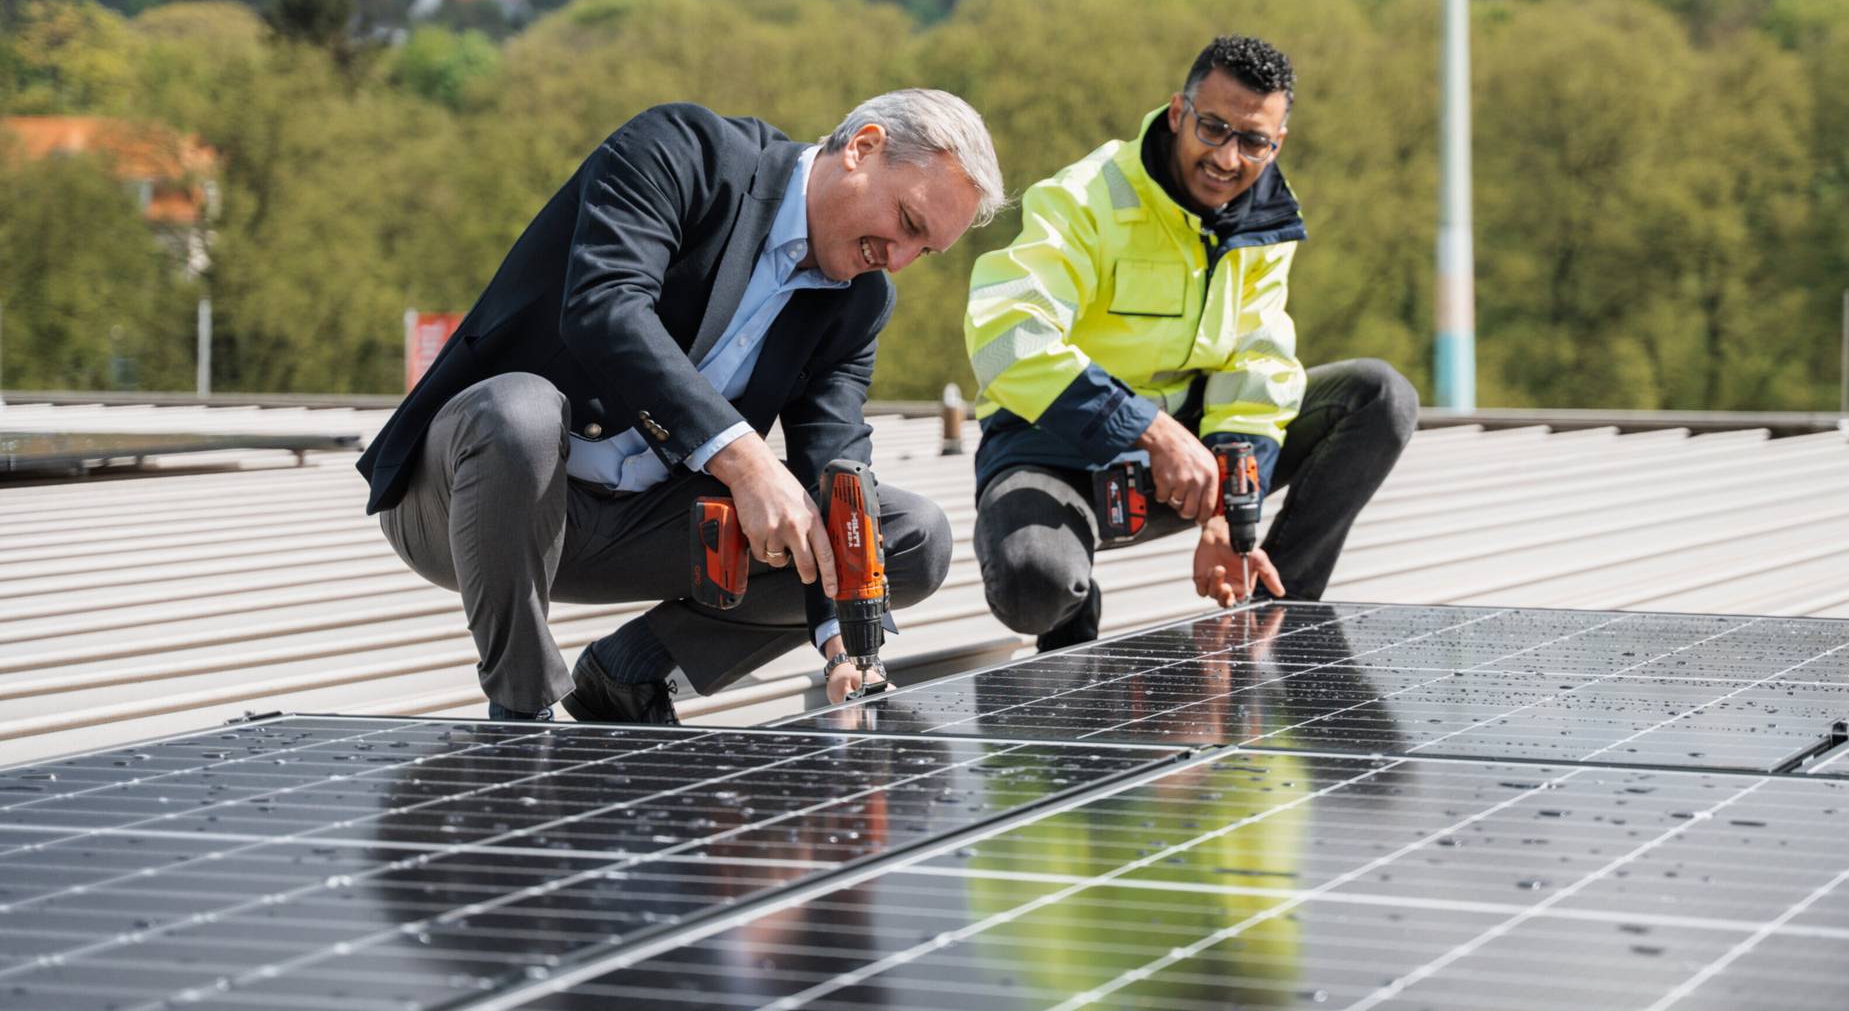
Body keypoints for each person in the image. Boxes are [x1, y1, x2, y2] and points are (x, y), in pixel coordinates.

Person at [357, 92, 1005, 723]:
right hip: (472, 501)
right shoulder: (683, 152)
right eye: (908, 223)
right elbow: (605, 309)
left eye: (923, 251)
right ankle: (523, 712)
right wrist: (746, 462)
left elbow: (830, 459)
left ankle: (628, 672)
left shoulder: (858, 302)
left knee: (909, 539)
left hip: (637, 531)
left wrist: (846, 640)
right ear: (864, 147)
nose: (897, 258)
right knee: (517, 412)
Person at [963, 35, 1416, 649]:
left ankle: (1277, 617)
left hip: (1193, 458)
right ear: (1178, 113)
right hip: (1056, 447)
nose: (1229, 159)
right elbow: (1005, 337)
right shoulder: (1086, 197)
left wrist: (1237, 510)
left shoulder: (1265, 220)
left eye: (1253, 142)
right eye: (1213, 128)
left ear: (1276, 144)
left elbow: (1255, 366)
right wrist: (1147, 428)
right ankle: (1072, 643)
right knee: (1034, 584)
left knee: (1380, 396)